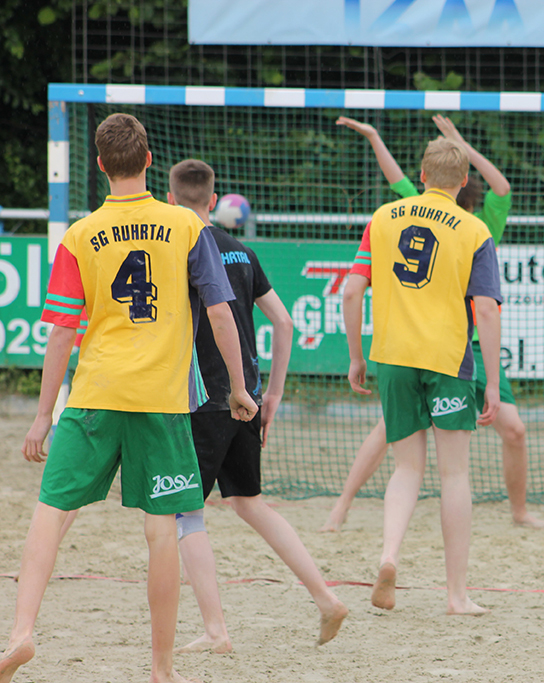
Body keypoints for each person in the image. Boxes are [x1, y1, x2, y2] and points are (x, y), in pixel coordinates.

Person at [0, 113, 258, 683]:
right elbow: (220, 312)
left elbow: (62, 331)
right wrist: (238, 388)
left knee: (49, 512)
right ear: (148, 161)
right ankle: (162, 669)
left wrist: (42, 416)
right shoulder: (186, 225)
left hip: (95, 394)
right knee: (161, 530)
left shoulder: (80, 234)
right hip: (161, 402)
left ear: (99, 165)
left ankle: (20, 633)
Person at [322, 114, 544, 531]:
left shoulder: (480, 227)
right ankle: (342, 505)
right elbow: (399, 180)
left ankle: (520, 511)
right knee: (391, 432)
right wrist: (375, 137)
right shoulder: (417, 212)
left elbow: (501, 187)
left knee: (514, 430)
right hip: (435, 345)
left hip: (470, 345)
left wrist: (459, 145)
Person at [166, 160, 349, 654]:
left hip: (202, 398)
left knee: (183, 513)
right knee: (248, 502)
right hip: (246, 393)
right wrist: (273, 395)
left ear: (170, 200)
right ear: (213, 199)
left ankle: (216, 631)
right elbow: (284, 324)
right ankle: (326, 597)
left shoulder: (178, 249)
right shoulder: (242, 252)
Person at [343, 137, 503, 615]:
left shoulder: (383, 217)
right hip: (447, 360)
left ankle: (389, 556)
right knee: (454, 474)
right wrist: (493, 383)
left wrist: (356, 357)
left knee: (406, 468)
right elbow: (486, 310)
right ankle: (456, 596)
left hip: (392, 356)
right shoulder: (475, 230)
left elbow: (351, 291)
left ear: (423, 175)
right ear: (465, 181)